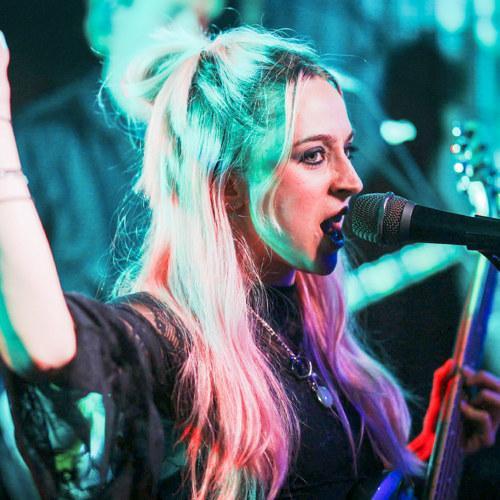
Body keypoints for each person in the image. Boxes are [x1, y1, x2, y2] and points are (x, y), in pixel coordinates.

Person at [0, 25, 499, 499]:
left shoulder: (316, 334)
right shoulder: (171, 342)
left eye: (347, 150)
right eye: (313, 155)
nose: (352, 181)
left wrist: (422, 457)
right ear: (231, 187)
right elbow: (45, 346)